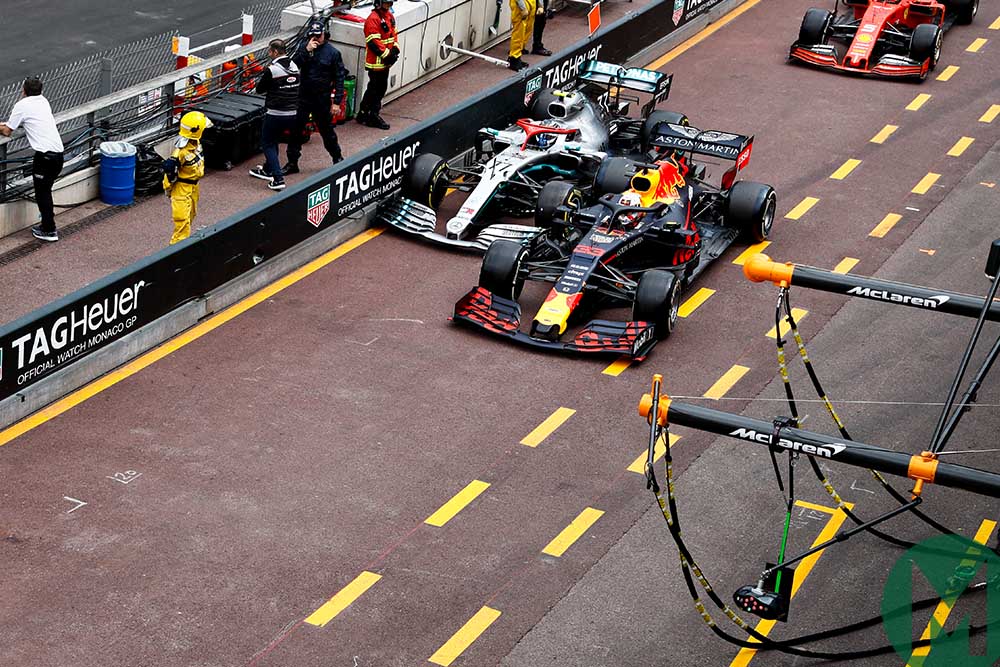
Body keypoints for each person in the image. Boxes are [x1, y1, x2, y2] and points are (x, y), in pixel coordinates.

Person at [0, 77, 66, 242]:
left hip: (45, 157)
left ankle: (49, 230)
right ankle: (46, 225)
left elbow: (7, 131)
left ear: (23, 90)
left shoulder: (22, 105)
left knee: (42, 194)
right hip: (58, 155)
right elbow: (28, 120)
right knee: (46, 192)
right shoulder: (43, 102)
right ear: (41, 90)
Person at [285, 20, 346, 174]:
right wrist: (306, 51)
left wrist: (337, 102)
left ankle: (337, 158)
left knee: (327, 132)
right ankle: (292, 163)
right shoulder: (303, 48)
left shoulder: (333, 53)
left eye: (318, 36)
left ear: (324, 34)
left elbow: (339, 78)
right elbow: (293, 66)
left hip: (322, 98)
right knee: (296, 131)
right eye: (313, 36)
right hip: (304, 97)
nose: (316, 39)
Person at [249, 39, 300, 191]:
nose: (268, 53)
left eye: (269, 51)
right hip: (293, 113)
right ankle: (268, 169)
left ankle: (278, 178)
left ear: (275, 52)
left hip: (276, 113)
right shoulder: (294, 66)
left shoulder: (272, 70)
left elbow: (259, 89)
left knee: (268, 143)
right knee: (274, 140)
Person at [162, 111, 210, 245]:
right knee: (182, 223)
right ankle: (175, 253)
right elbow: (169, 174)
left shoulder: (195, 143)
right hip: (182, 190)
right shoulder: (180, 153)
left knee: (191, 216)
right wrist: (169, 188)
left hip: (194, 187)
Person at [357, 0, 398, 130]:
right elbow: (373, 43)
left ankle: (363, 113)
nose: (389, 5)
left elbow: (394, 34)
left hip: (385, 62)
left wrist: (395, 49)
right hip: (376, 62)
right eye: (387, 2)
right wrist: (388, 55)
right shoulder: (372, 19)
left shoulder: (389, 16)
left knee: (375, 88)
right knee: (377, 89)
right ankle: (372, 116)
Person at [507, 0, 537, 71]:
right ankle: (514, 58)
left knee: (527, 30)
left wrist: (540, 5)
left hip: (531, 3)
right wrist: (522, 8)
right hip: (521, 4)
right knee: (519, 33)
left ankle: (518, 55)